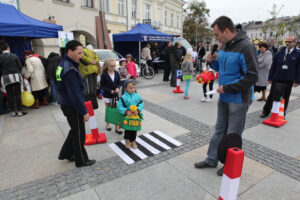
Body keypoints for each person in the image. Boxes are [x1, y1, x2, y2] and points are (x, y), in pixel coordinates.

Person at [194, 16, 258, 176]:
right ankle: (211, 159)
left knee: (233, 134)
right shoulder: (224, 47)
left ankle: (230, 164)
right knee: (219, 130)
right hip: (223, 96)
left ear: (227, 31)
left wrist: (228, 88)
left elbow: (252, 77)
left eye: (216, 34)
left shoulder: (246, 47)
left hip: (238, 99)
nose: (215, 38)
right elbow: (224, 69)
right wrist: (211, 62)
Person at [57, 40, 95, 168]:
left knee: (74, 130)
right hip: (72, 106)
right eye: (78, 53)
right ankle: (81, 160)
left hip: (66, 103)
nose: (80, 56)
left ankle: (66, 153)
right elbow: (75, 94)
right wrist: (84, 111)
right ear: (69, 51)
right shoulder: (70, 69)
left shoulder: (62, 64)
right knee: (79, 133)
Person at [260, 36, 300, 118]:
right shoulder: (280, 52)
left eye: (290, 42)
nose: (287, 43)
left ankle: (281, 113)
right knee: (272, 96)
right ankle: (266, 111)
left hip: (288, 80)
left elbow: (299, 69)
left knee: (285, 97)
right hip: (277, 78)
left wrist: (297, 80)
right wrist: (270, 78)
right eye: (286, 42)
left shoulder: (298, 54)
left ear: (294, 43)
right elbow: (273, 66)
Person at [0, 43, 27, 117]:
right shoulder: (14, 56)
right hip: (16, 76)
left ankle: (13, 112)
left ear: (1, 49)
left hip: (5, 78)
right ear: (8, 48)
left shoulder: (0, 57)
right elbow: (20, 66)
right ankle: (19, 111)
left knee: (10, 95)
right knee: (18, 94)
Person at [117, 80, 144, 149]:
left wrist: (138, 110)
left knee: (134, 129)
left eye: (134, 88)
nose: (132, 89)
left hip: (135, 116)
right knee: (128, 129)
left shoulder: (137, 96)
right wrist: (126, 111)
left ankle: (133, 140)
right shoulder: (123, 97)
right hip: (127, 116)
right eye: (130, 88)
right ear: (125, 88)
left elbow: (141, 103)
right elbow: (119, 106)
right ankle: (127, 140)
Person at [100, 58, 123, 134]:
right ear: (107, 66)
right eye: (111, 66)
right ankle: (108, 124)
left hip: (115, 95)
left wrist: (117, 88)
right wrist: (110, 91)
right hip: (107, 95)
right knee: (109, 110)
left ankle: (117, 126)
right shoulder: (104, 74)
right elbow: (102, 86)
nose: (112, 67)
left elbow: (119, 83)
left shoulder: (116, 73)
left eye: (114, 66)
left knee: (117, 110)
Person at [78, 44, 100, 109]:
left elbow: (82, 57)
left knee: (88, 89)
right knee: (93, 88)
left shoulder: (82, 51)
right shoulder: (92, 51)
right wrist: (95, 61)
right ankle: (94, 103)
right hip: (94, 71)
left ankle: (89, 104)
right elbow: (97, 57)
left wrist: (90, 61)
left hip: (87, 71)